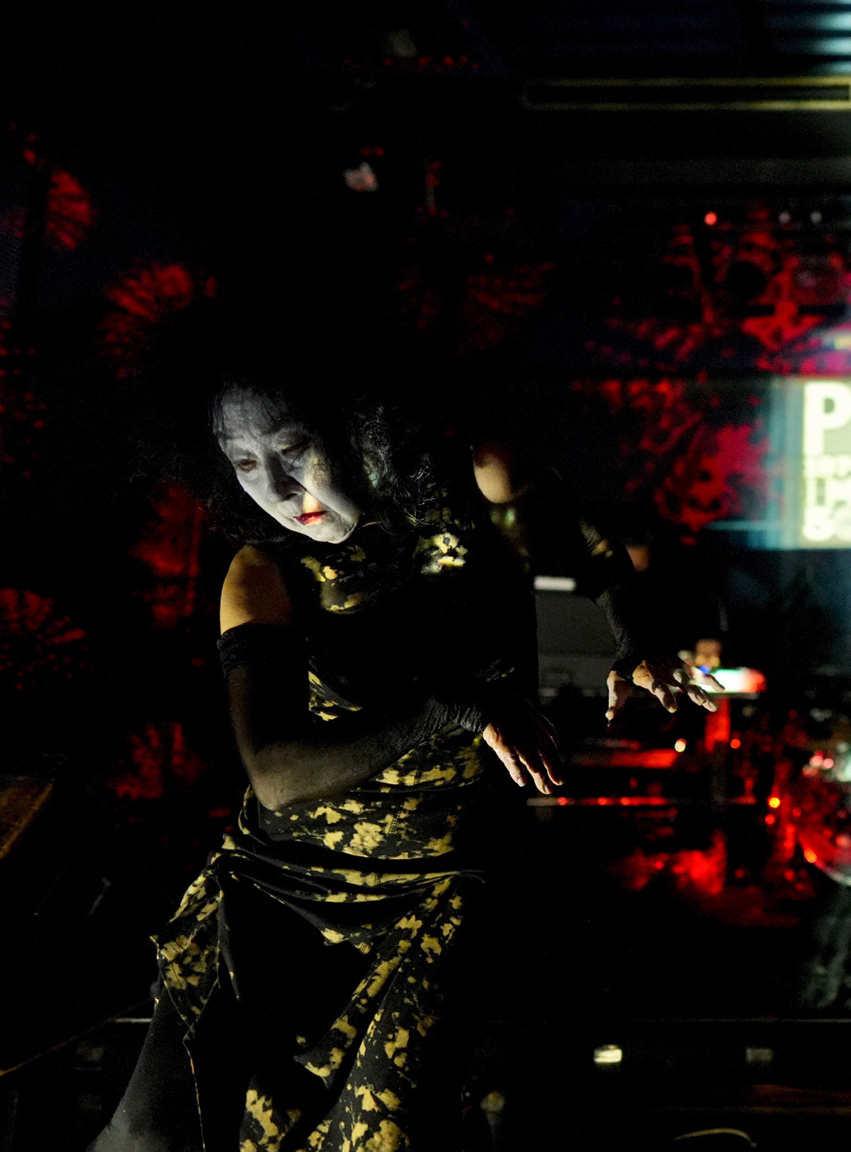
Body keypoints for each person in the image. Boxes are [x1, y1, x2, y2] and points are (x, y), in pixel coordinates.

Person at [90, 308, 721, 1150]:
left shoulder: (481, 481)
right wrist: (451, 707)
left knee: (380, 1139)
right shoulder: (264, 572)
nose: (275, 487)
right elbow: (274, 773)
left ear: (361, 418)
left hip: (438, 894)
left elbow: (594, 548)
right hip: (278, 893)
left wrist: (636, 641)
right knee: (149, 1136)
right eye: (242, 463)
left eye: (293, 447)